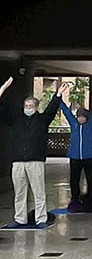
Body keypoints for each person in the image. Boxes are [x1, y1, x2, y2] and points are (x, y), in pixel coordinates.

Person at [0, 77, 65, 228]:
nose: (28, 108)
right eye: (26, 105)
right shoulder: (15, 119)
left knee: (39, 192)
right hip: (18, 162)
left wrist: (58, 95)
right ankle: (20, 219)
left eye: (31, 106)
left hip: (35, 161)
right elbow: (3, 109)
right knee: (19, 193)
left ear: (36, 107)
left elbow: (51, 109)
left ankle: (41, 219)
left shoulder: (42, 120)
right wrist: (2, 90)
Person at [59, 83, 92, 212]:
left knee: (91, 180)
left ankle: (91, 200)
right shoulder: (73, 123)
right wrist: (58, 96)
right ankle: (75, 199)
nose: (81, 119)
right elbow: (66, 111)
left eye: (83, 117)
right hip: (75, 156)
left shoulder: (91, 123)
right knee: (74, 180)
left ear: (87, 118)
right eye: (79, 117)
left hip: (89, 156)